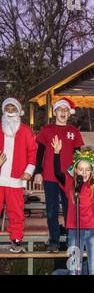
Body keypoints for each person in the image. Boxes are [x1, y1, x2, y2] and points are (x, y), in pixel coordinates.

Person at [52, 136, 94, 275]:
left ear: (92, 171)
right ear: (75, 170)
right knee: (74, 269)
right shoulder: (70, 184)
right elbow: (57, 173)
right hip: (74, 231)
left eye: (88, 169)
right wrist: (56, 153)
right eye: (81, 169)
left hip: (93, 230)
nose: (84, 172)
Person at [34, 97, 84, 252]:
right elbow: (40, 153)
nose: (63, 112)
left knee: (70, 210)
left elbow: (78, 156)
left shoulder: (74, 132)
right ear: (54, 112)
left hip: (69, 179)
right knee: (51, 211)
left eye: (66, 110)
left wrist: (78, 175)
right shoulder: (46, 130)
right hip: (50, 177)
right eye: (60, 110)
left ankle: (71, 241)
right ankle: (54, 241)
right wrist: (38, 172)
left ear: (69, 114)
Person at [0, 98, 37, 253]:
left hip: (16, 178)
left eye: (12, 108)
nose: (9, 111)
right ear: (3, 111)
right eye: (7, 108)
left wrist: (29, 171)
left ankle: (16, 239)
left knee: (16, 210)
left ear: (18, 111)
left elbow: (32, 152)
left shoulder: (26, 130)